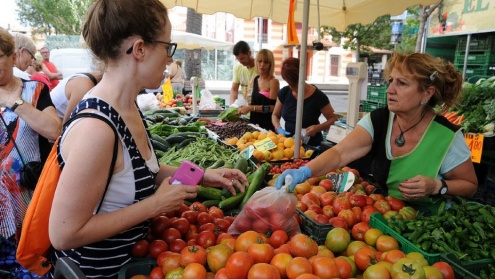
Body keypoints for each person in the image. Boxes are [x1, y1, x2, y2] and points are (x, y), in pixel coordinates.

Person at [48, 1, 248, 277]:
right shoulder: (96, 129)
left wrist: (202, 175)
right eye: (168, 48)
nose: (170, 60)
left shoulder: (127, 106)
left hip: (132, 262)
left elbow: (142, 171)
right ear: (140, 49)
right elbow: (63, 233)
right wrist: (154, 205)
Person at [275, 52, 478, 213]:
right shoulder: (379, 120)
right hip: (388, 217)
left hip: (429, 227)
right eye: (391, 81)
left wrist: (437, 186)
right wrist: (305, 172)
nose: (390, 89)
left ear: (427, 93)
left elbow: (469, 185)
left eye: (402, 83)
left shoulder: (447, 136)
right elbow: (340, 153)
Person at [0, 27, 61, 269]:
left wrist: (12, 102)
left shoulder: (34, 90)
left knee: (31, 263)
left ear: (13, 58)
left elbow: (55, 130)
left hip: (30, 197)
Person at [272, 57, 338, 147]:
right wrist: (278, 127)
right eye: (290, 83)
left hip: (312, 145)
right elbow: (275, 114)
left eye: (295, 83)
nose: (293, 87)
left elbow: (333, 119)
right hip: (289, 144)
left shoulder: (318, 96)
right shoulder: (284, 92)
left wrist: (317, 128)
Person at [239, 49, 279, 131]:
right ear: (256, 62)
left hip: (267, 126)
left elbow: (272, 107)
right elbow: (250, 100)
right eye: (260, 61)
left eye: (266, 62)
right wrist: (243, 107)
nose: (262, 65)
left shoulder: (273, 82)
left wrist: (251, 108)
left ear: (271, 64)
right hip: (254, 124)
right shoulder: (255, 80)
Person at [229, 40, 256, 105]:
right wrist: (233, 106)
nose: (240, 62)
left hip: (258, 110)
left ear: (249, 53)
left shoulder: (260, 68)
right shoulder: (238, 68)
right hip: (246, 110)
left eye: (242, 58)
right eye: (238, 59)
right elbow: (234, 89)